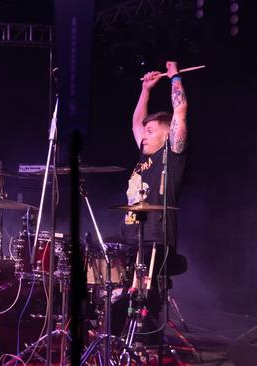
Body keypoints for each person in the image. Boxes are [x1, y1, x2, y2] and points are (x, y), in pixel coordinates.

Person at [110, 61, 189, 344]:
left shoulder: (172, 155)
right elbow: (135, 123)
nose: (144, 134)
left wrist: (174, 76)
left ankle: (145, 341)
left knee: (143, 295)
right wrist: (145, 90)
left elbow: (179, 110)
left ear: (167, 134)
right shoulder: (144, 157)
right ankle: (114, 335)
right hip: (130, 238)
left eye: (151, 131)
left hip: (155, 240)